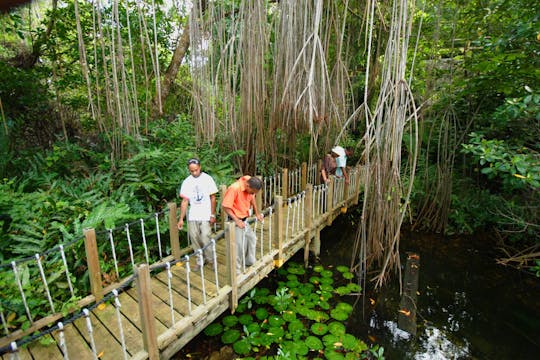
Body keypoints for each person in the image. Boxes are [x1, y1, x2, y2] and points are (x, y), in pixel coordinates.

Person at [177, 158, 218, 271]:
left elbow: (213, 198)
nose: (194, 172)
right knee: (194, 239)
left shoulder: (207, 179)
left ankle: (212, 259)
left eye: (196, 170)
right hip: (193, 215)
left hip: (205, 213)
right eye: (192, 171)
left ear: (200, 167)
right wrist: (181, 219)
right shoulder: (187, 182)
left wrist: (212, 214)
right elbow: (185, 201)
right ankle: (200, 261)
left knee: (206, 237)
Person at [221, 176, 264, 274]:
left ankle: (249, 260)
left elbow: (252, 197)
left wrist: (257, 213)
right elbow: (225, 206)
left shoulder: (249, 180)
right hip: (234, 221)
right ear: (248, 186)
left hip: (244, 219)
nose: (253, 194)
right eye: (252, 191)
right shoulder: (234, 188)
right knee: (238, 247)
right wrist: (236, 221)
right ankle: (236, 272)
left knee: (252, 238)